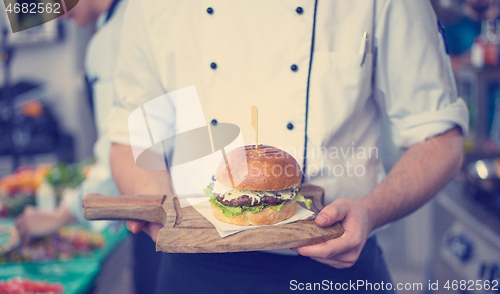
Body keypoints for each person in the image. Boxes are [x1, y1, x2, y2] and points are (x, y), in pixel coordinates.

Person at [106, 1, 468, 293]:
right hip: (194, 270)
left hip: (334, 268)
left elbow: (439, 137)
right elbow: (132, 136)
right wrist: (162, 215)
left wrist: (370, 211)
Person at [16, 1, 162, 293]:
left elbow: (122, 151)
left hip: (156, 221)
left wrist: (58, 217)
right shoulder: (132, 16)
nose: (52, 13)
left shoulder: (112, 40)